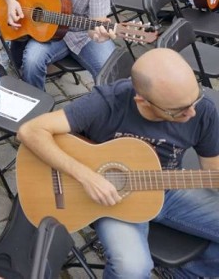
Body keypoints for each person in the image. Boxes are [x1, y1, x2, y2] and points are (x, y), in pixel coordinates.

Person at [17, 48, 219, 278]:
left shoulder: (201, 109)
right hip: (111, 202)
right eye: (179, 110)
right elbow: (30, 131)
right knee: (132, 268)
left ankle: (185, 271)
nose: (192, 113)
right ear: (142, 100)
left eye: (194, 100)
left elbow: (212, 171)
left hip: (169, 190)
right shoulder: (106, 103)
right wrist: (87, 176)